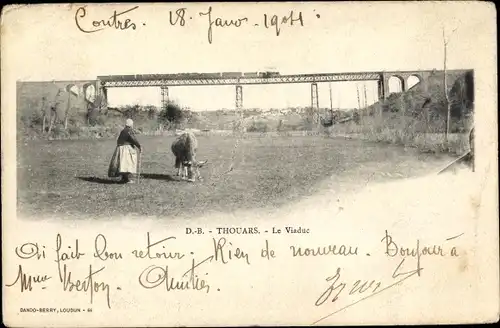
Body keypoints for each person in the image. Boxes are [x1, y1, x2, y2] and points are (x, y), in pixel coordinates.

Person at [108, 118, 142, 183]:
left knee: (123, 164)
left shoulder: (123, 131)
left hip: (120, 148)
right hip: (126, 149)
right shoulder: (129, 131)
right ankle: (128, 179)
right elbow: (133, 139)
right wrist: (139, 146)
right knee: (128, 164)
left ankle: (124, 178)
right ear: (131, 125)